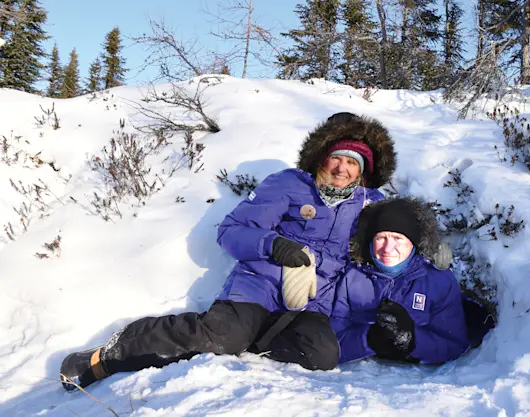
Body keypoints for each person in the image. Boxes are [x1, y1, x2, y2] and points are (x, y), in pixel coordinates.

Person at [60, 112, 397, 391]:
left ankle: (251, 340)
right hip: (260, 286)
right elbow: (231, 232)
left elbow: (398, 239)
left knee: (322, 356)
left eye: (352, 162)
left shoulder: (369, 204)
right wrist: (273, 244)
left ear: (363, 170)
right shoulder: (289, 184)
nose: (341, 168)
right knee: (220, 335)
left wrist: (426, 246)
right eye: (335, 158)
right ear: (322, 157)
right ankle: (110, 354)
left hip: (311, 300)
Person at [330, 198, 488, 365]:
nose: (387, 248)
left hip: (418, 386)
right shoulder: (351, 278)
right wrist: (368, 339)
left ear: (413, 243)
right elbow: (332, 342)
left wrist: (413, 339)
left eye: (398, 238)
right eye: (381, 238)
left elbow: (454, 344)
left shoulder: (437, 282)